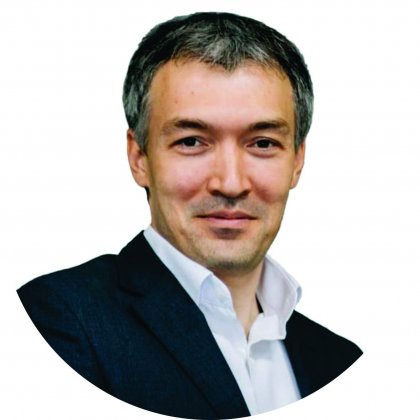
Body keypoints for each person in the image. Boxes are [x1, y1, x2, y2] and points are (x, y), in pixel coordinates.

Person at [17, 11, 362, 419]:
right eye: (192, 141)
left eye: (263, 143)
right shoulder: (55, 322)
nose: (231, 183)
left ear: (297, 160)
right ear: (139, 157)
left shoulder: (340, 362)